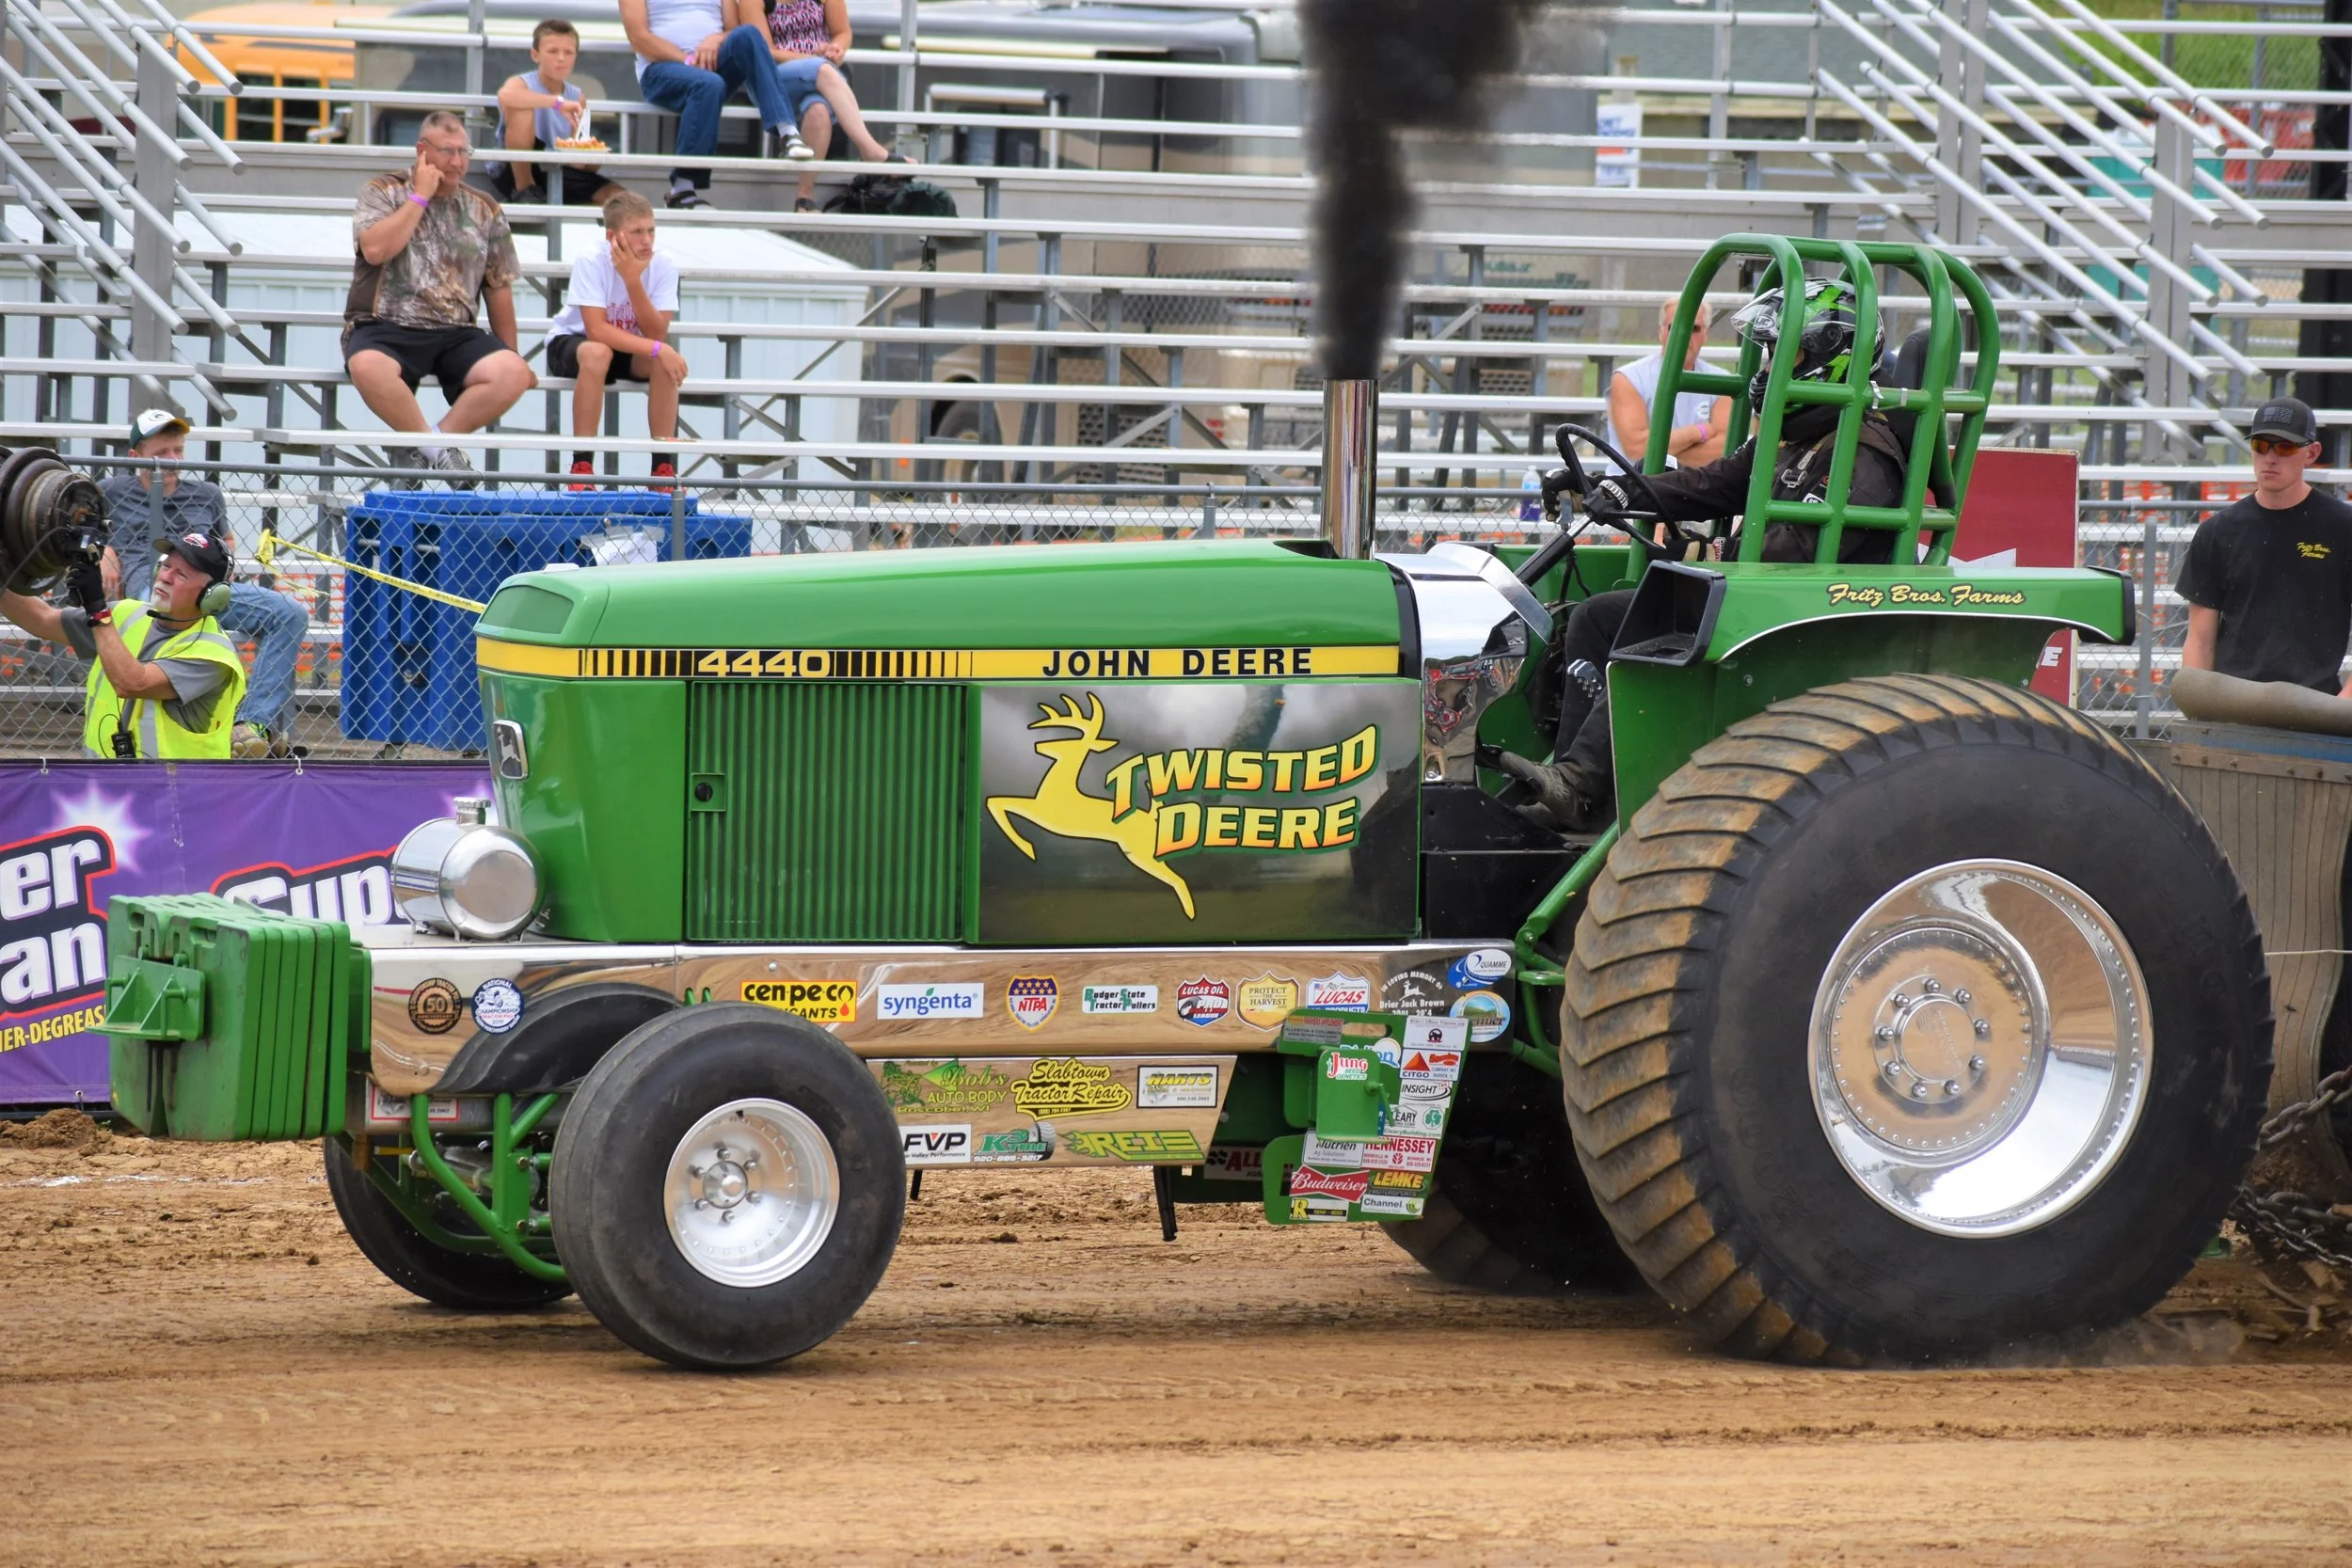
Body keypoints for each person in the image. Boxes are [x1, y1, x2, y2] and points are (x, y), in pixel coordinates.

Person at [1510, 277, 1911, 831]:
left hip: (1808, 624)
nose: (1768, 367)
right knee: (1596, 617)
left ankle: (1582, 781)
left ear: (1828, 358)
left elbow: (1798, 558)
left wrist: (1701, 548)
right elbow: (1711, 482)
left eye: (1782, 352)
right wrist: (1627, 489)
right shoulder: (1793, 439)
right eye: (1768, 352)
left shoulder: (1865, 453)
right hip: (1758, 606)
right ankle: (1579, 789)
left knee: (1661, 630)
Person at [97, 408, 309, 758]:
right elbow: (88, 534)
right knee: (154, 596)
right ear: (136, 457)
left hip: (206, 592)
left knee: (289, 613)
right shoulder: (110, 491)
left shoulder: (206, 493)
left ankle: (251, 725)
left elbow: (225, 541)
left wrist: (226, 576)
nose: (172, 460)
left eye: (178, 451)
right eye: (161, 453)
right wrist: (106, 551)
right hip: (155, 594)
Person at [343, 111, 536, 486]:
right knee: (367, 367)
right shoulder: (383, 191)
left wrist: (512, 352)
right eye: (447, 151)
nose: (458, 161)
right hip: (384, 325)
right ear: (421, 150)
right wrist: (420, 196)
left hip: (456, 332)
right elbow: (375, 250)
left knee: (512, 372)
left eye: (465, 152)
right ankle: (442, 454)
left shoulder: (484, 208)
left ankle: (428, 449)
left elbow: (499, 286)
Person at [0, 530, 246, 760]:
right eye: (166, 566)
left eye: (181, 574)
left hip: (174, 793)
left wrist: (97, 608)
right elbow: (42, 620)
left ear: (212, 595)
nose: (166, 577)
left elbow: (132, 682)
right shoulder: (128, 614)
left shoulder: (213, 655)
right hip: (107, 786)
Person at [2179, 396, 2352, 697]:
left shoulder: (2343, 528)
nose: (2270, 457)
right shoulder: (2217, 532)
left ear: (2311, 453)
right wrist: (2198, 710)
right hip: (2231, 704)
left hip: (2317, 706)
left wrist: (2341, 707)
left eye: (2284, 447)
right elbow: (2199, 640)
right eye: (2261, 445)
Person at [548, 191, 688, 488]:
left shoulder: (664, 263)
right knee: (600, 352)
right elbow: (596, 330)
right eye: (637, 232)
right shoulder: (591, 259)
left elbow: (656, 332)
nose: (647, 240)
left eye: (651, 230)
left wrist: (632, 281)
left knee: (663, 360)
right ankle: (581, 467)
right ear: (612, 236)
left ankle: (663, 470)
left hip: (628, 347)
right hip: (574, 342)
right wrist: (657, 348)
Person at [622, 0, 814, 211]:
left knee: (748, 34)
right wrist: (687, 60)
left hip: (711, 63)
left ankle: (787, 132)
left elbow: (732, 29)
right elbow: (638, 38)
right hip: (661, 69)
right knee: (708, 83)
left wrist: (717, 39)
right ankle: (682, 190)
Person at [739, 0, 906, 214]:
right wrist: (816, 60)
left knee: (819, 110)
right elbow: (766, 52)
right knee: (825, 72)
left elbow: (843, 31)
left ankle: (804, 198)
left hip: (818, 78)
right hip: (773, 80)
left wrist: (836, 48)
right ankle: (872, 151)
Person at [490, 20, 627, 209]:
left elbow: (576, 158)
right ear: (535, 55)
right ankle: (525, 189)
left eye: (568, 53)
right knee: (521, 106)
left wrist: (591, 158)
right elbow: (506, 96)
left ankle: (614, 237)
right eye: (553, 51)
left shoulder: (577, 96)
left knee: (620, 198)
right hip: (514, 170)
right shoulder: (520, 83)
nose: (561, 58)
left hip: (558, 169)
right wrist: (556, 103)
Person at [1607, 297, 1728, 472]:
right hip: (1634, 489)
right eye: (1675, 326)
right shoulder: (1628, 378)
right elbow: (1636, 448)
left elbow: (1724, 450)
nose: (1684, 335)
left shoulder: (1723, 381)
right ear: (1661, 332)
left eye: (1694, 328)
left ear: (1706, 334)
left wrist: (1658, 455)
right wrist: (1699, 432)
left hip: (1694, 492)